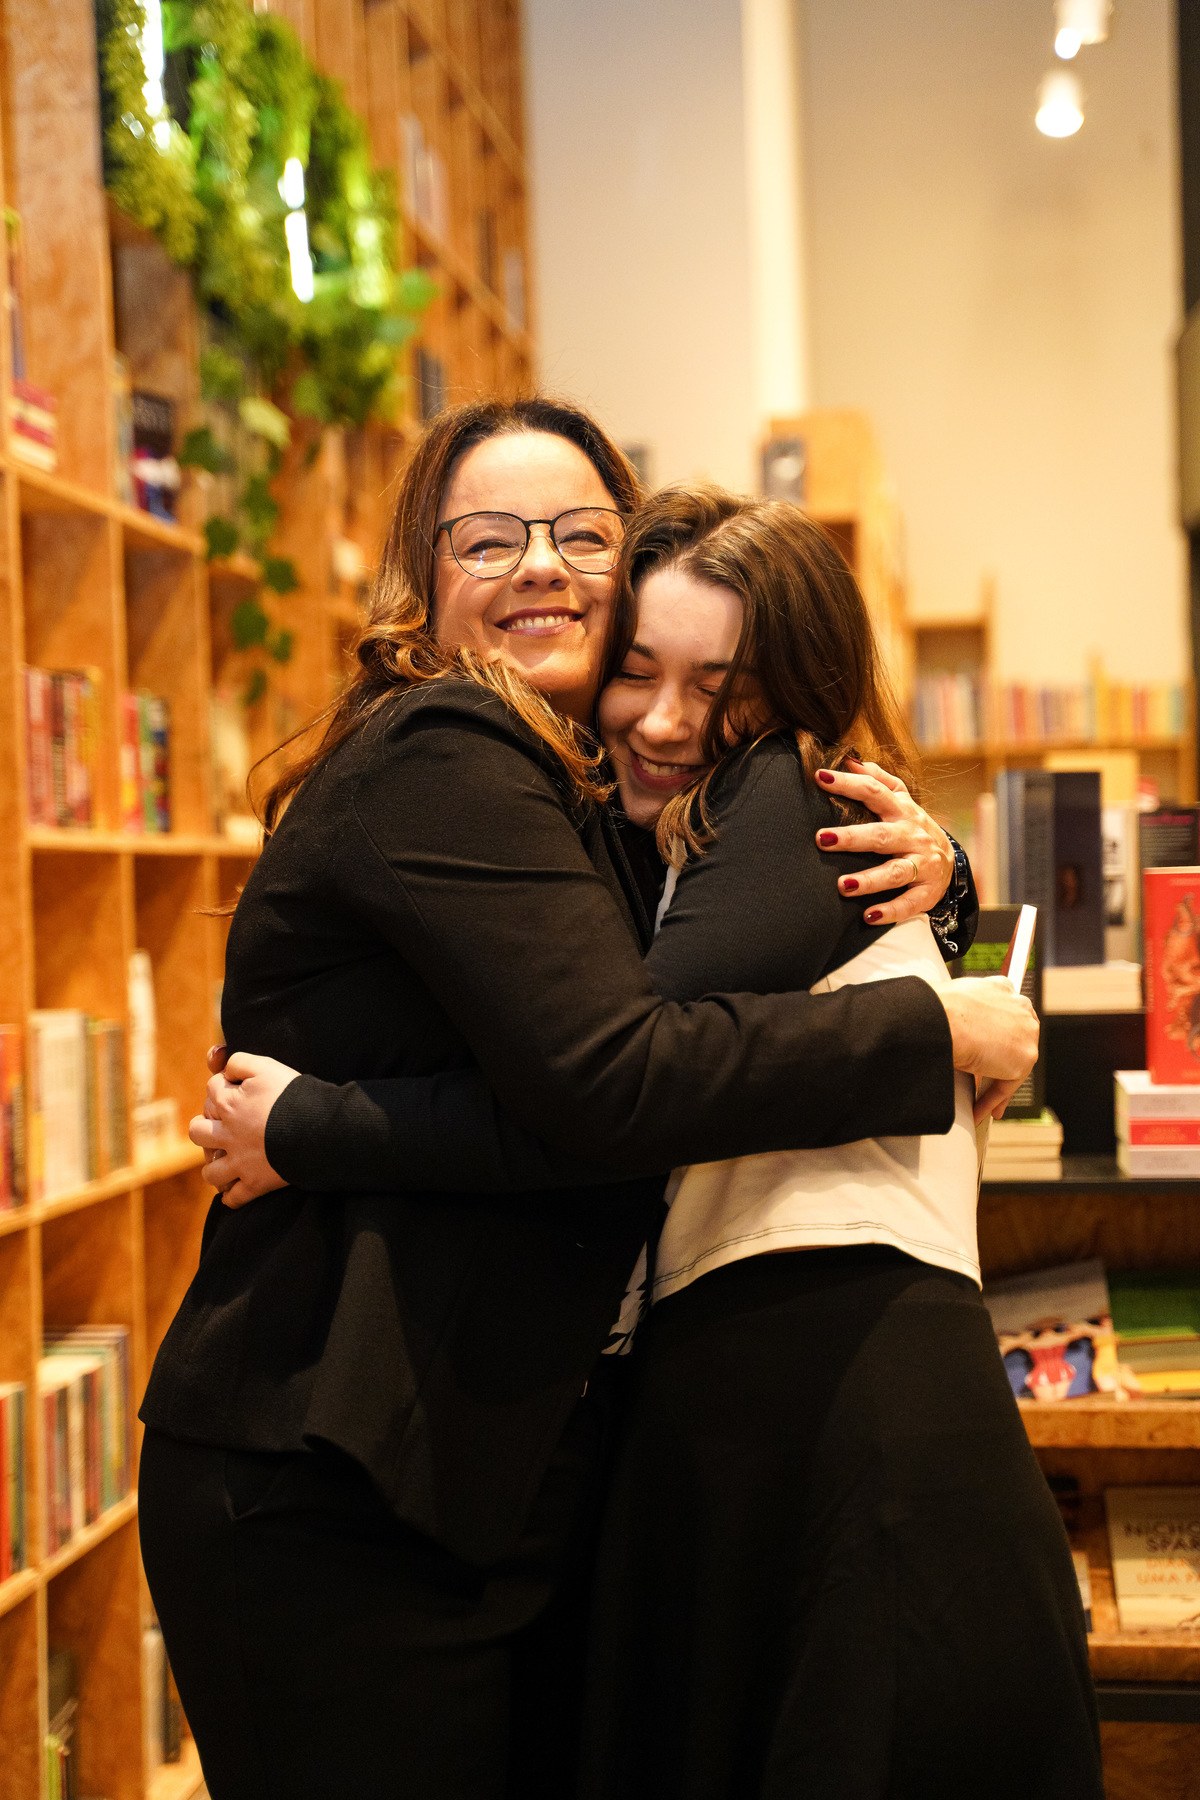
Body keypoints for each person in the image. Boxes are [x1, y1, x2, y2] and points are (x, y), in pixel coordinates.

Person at [154, 397, 1035, 1800]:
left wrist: (947, 885)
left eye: (578, 533)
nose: (541, 565)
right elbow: (618, 1082)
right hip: (337, 1471)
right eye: (488, 539)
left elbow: (696, 977)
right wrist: (927, 1037)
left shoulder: (595, 800)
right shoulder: (451, 747)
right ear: (425, 581)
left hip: (472, 1475)